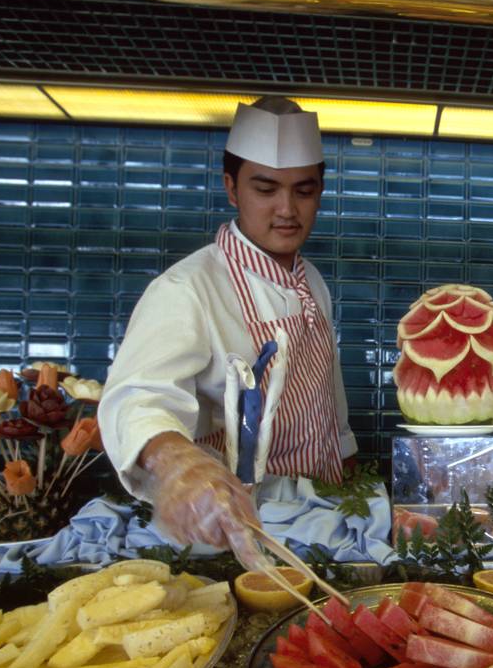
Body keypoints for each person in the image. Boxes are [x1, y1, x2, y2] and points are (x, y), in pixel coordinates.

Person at [99, 96, 357, 554]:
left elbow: (326, 393)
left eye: (303, 189)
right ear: (232, 188)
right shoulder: (186, 288)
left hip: (323, 523)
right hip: (233, 532)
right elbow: (135, 398)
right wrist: (176, 460)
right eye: (265, 189)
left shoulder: (311, 280)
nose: (287, 210)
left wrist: (347, 467)